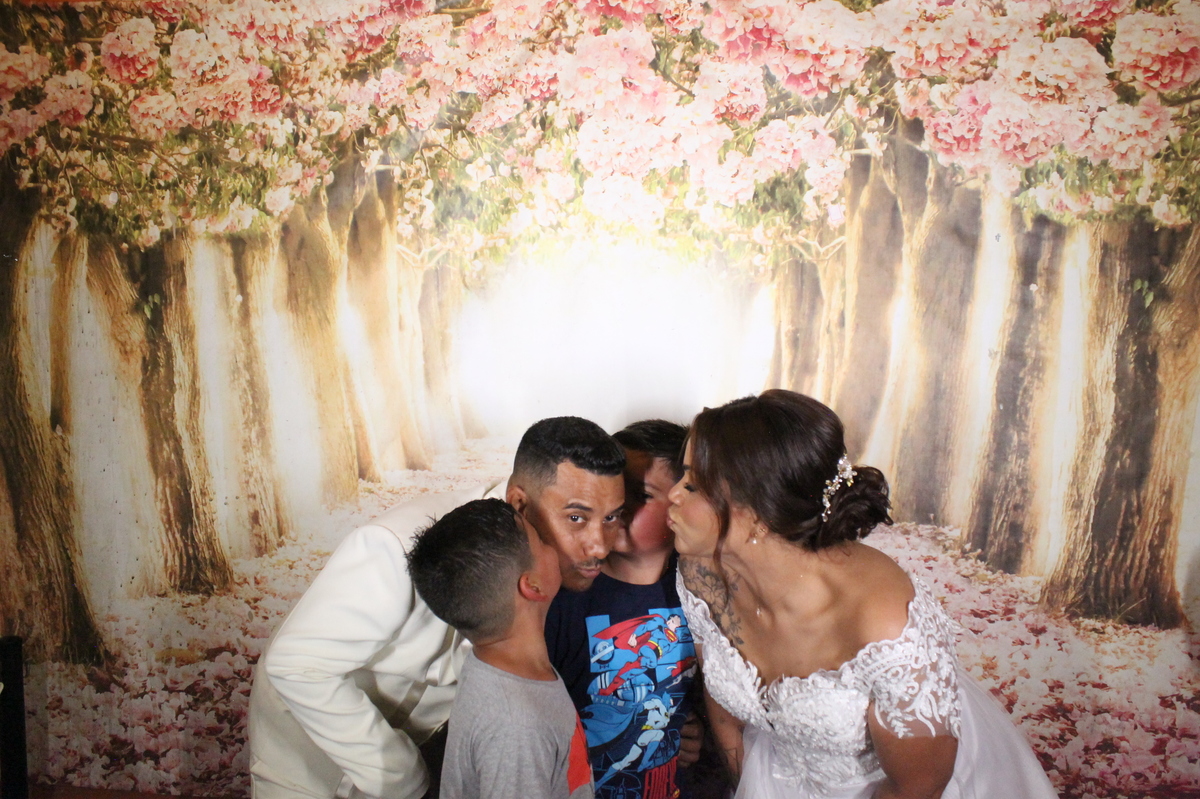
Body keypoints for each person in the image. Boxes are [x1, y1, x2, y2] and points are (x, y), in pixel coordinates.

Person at [666, 390, 1059, 799]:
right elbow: (725, 712)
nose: (673, 495)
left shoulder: (884, 625)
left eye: (692, 485)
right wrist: (744, 782)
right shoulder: (701, 574)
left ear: (757, 512)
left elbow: (917, 787)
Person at [249, 417, 625, 799]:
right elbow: (296, 665)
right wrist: (406, 779)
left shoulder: (559, 573)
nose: (600, 545)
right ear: (519, 502)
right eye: (576, 518)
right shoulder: (394, 546)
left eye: (611, 516)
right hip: (308, 771)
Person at [545, 420, 701, 799]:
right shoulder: (567, 595)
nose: (618, 506)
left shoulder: (699, 593)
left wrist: (694, 728)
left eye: (640, 494)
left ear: (682, 503)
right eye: (613, 491)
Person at [407, 498, 594, 799]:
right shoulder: (517, 726)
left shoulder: (504, 667)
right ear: (532, 586)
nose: (553, 544)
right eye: (541, 539)